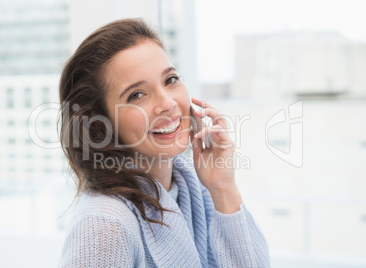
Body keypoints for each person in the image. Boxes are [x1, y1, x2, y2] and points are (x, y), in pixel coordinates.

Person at [58, 18, 270, 267]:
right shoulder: (104, 225)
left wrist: (224, 189)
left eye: (170, 80)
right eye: (136, 95)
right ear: (100, 124)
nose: (168, 103)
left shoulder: (196, 194)